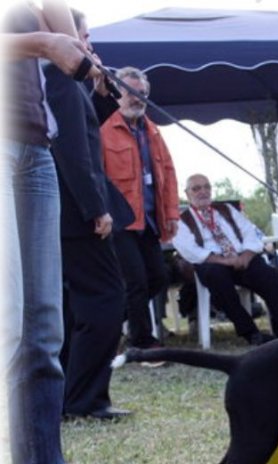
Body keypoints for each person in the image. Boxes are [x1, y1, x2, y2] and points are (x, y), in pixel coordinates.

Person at [1, 0, 122, 464]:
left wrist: (74, 46)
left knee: (43, 330)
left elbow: (62, 35)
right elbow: (45, 43)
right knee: (10, 326)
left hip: (34, 147)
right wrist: (43, 45)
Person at [44, 8, 130, 419]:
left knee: (77, 305)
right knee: (106, 299)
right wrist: (96, 208)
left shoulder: (63, 80)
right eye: (85, 35)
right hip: (77, 212)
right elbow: (73, 150)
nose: (90, 43)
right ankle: (84, 399)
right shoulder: (57, 77)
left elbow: (89, 124)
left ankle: (73, 397)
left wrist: (102, 84)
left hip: (68, 210)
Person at [173, 173, 278, 345]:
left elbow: (250, 233)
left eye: (206, 187)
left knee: (268, 275)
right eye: (196, 189)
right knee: (217, 278)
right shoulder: (181, 221)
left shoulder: (226, 210)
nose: (202, 192)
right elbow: (190, 250)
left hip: (242, 259)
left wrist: (246, 256)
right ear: (187, 193)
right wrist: (224, 260)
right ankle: (251, 333)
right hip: (212, 263)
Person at [100, 66, 180, 351]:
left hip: (149, 220)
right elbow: (96, 175)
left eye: (142, 93)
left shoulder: (153, 131)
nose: (138, 98)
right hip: (119, 221)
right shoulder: (104, 128)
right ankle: (142, 341)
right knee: (136, 282)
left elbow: (167, 174)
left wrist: (171, 214)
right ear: (117, 93)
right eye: (131, 92)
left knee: (158, 277)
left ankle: (104, 322)